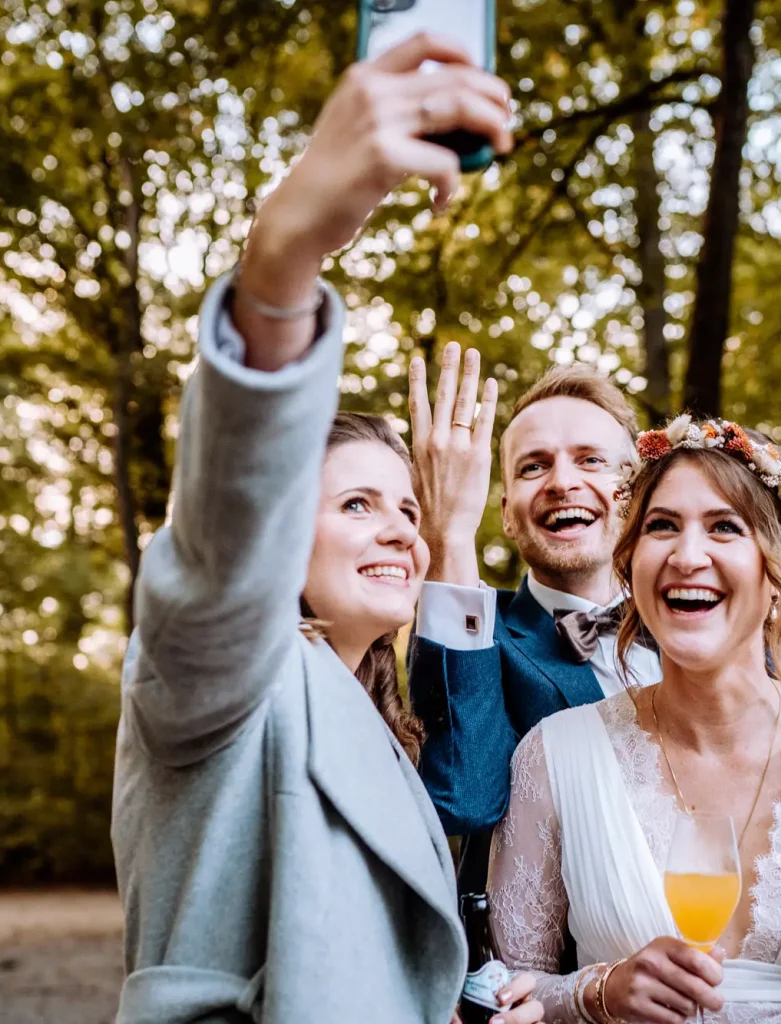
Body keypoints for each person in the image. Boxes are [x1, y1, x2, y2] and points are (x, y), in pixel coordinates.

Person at [110, 34, 546, 1024]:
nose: (401, 531)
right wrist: (283, 265)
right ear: (276, 538)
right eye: (356, 504)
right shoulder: (219, 678)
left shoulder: (384, 722)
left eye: (405, 508)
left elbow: (455, 830)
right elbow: (220, 550)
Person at [486, 416, 781, 1023]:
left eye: (725, 527)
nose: (687, 555)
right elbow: (508, 991)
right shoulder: (554, 756)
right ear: (631, 565)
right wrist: (598, 993)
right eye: (662, 526)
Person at [407, 353, 781, 840]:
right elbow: (465, 803)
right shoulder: (470, 636)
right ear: (503, 510)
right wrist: (449, 535)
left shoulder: (713, 615)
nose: (561, 482)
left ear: (636, 497)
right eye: (533, 466)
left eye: (590, 460)